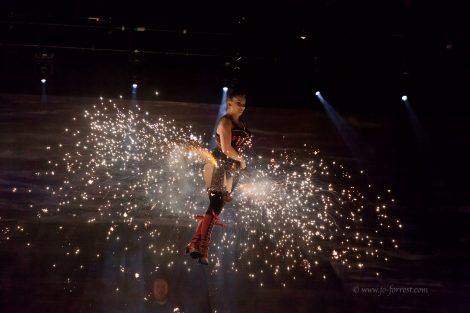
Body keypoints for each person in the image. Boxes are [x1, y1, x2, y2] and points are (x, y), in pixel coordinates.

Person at [185, 87, 252, 265]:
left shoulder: (241, 123)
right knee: (215, 207)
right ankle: (202, 249)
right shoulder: (225, 122)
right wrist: (242, 161)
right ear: (229, 103)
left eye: (244, 104)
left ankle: (194, 245)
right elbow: (227, 149)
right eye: (239, 103)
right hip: (219, 166)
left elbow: (235, 151)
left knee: (215, 209)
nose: (242, 107)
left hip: (231, 170)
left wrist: (241, 167)